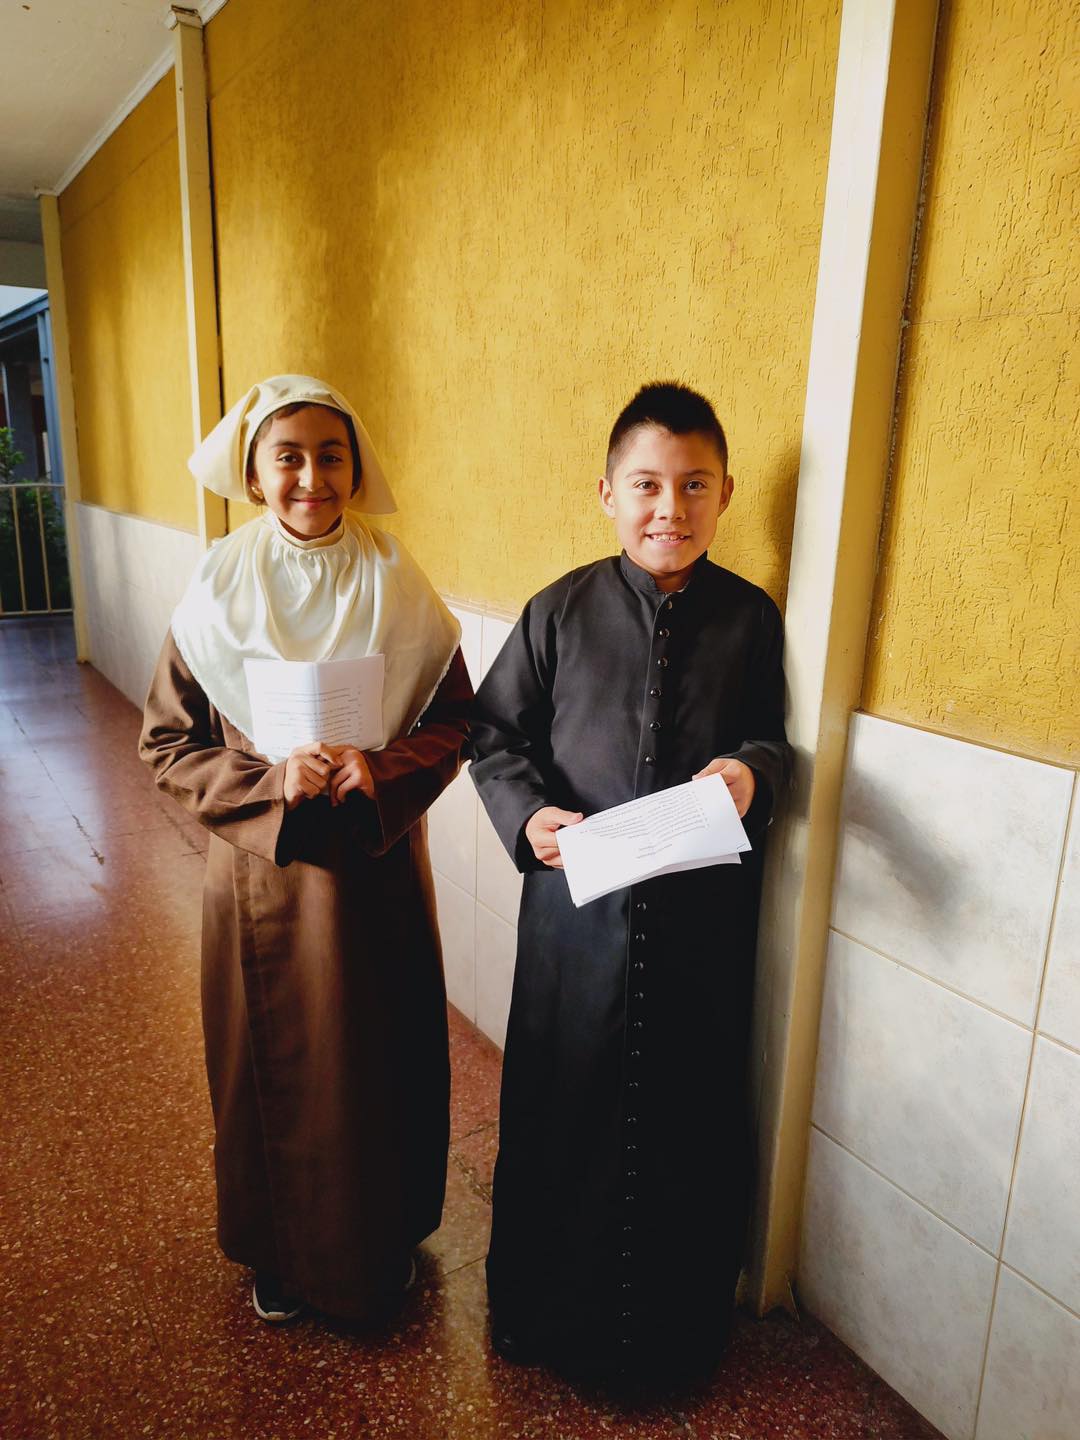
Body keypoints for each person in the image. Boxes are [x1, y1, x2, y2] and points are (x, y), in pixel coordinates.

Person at [469, 381, 790, 1382]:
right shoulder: (557, 610)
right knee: (562, 1114)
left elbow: (775, 742)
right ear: (606, 492)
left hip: (700, 928)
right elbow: (495, 735)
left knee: (683, 1132)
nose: (670, 508)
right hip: (578, 925)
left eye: (694, 485)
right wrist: (529, 815)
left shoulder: (751, 619)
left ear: (727, 493)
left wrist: (751, 772)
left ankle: (672, 1343)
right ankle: (540, 1322)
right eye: (647, 484)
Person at [140, 375, 471, 1325]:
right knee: (269, 1063)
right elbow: (167, 744)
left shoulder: (397, 581)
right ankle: (278, 1251)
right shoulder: (213, 589)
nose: (311, 477)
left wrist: (382, 768)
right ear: (252, 472)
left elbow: (455, 721)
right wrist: (268, 781)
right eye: (288, 456)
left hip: (376, 867)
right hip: (261, 876)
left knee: (384, 1054)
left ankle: (386, 1233)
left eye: (331, 454)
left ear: (357, 465)